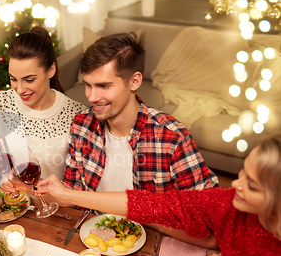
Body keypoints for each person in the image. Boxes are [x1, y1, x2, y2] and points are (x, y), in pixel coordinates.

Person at [37, 133, 281, 256]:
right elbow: (152, 204)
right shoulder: (230, 203)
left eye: (252, 185)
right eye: (242, 172)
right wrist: (70, 196)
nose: (236, 183)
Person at [62, 32, 218, 198]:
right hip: (90, 223)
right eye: (88, 85)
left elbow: (205, 209)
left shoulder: (173, 138)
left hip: (148, 225)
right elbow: (73, 194)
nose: (91, 97)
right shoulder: (81, 125)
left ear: (134, 81)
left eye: (104, 86)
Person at [0, 27, 86, 191]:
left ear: (51, 71)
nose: (19, 89)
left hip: (57, 209)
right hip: (13, 205)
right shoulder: (0, 103)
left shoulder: (76, 114)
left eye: (29, 80)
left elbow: (81, 188)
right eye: (13, 79)